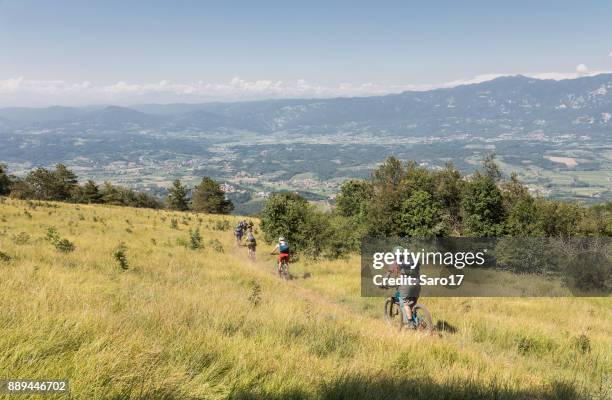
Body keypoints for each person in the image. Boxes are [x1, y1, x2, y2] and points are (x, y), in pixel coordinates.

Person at [385, 245, 421, 327]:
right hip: (417, 284)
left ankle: (411, 323)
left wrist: (384, 283)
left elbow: (388, 273)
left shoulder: (396, 262)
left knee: (404, 302)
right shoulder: (412, 261)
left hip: (406, 286)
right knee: (412, 303)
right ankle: (416, 321)